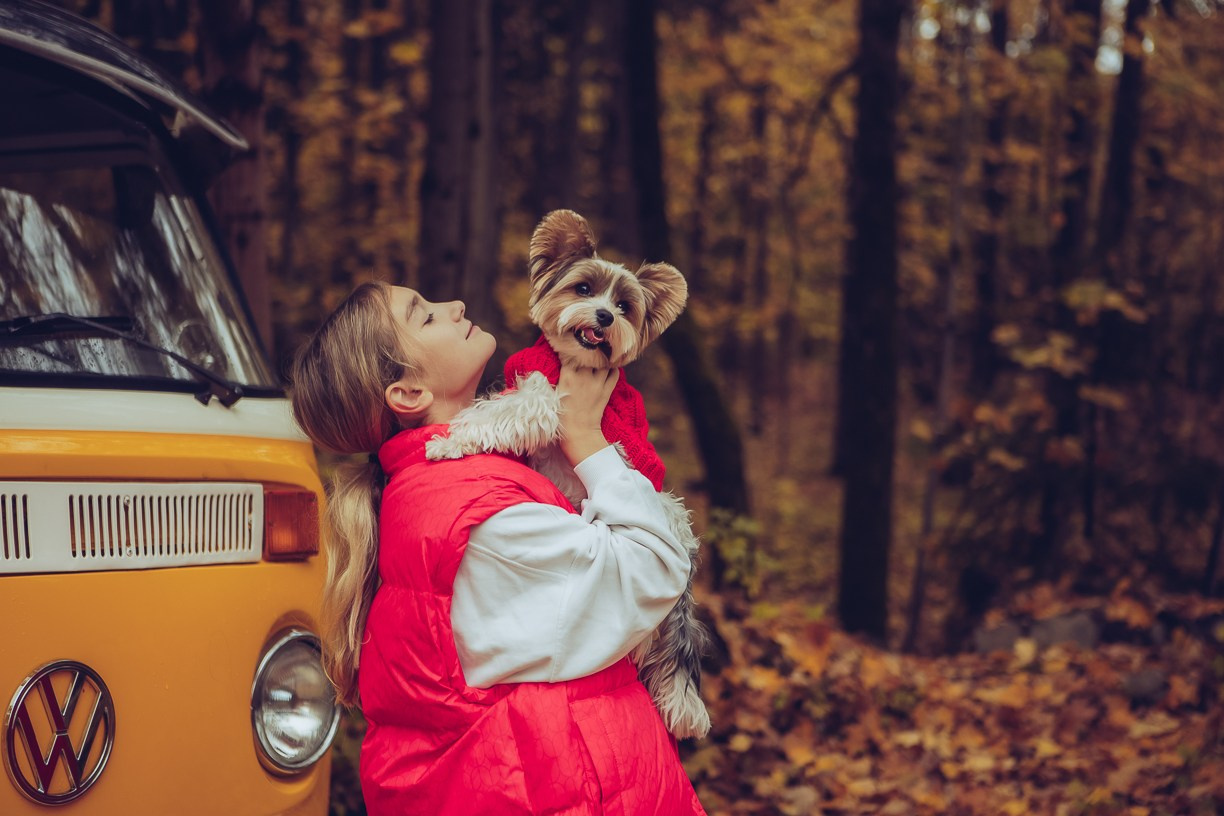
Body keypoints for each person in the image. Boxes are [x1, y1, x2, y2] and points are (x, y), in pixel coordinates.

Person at [290, 281, 706, 815]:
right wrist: (585, 438)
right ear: (409, 393)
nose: (454, 305)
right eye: (424, 316)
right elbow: (654, 570)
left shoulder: (452, 483)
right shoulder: (479, 514)